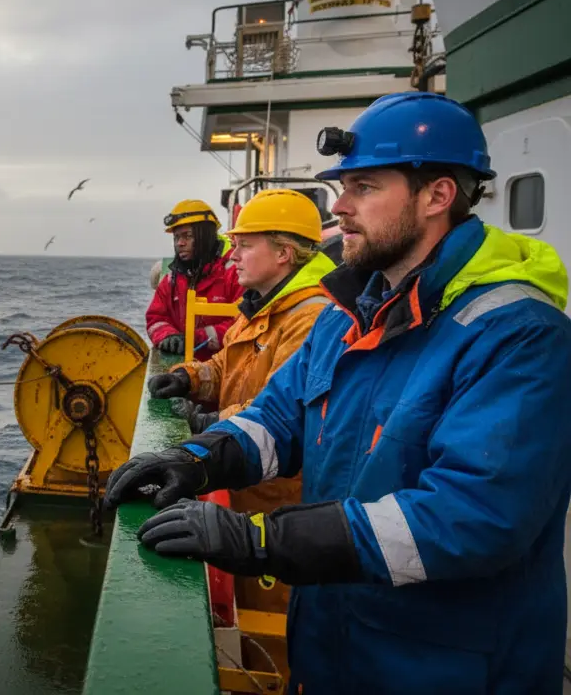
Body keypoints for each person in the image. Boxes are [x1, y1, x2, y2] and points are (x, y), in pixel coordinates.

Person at [106, 92, 571, 693]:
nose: (340, 208)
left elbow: (476, 517)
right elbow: (281, 418)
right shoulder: (350, 311)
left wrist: (264, 540)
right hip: (330, 642)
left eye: (364, 187)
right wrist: (196, 458)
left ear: (438, 196)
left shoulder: (518, 333)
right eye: (341, 187)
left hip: (444, 667)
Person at [146, 189, 335, 662]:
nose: (233, 255)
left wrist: (210, 423)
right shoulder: (263, 309)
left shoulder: (309, 319)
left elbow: (280, 413)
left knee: (280, 634)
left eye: (245, 244)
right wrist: (189, 378)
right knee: (248, 615)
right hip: (250, 494)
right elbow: (229, 371)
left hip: (283, 505)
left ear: (284, 253)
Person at [145, 199, 242, 360]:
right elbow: (156, 318)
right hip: (185, 371)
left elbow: (245, 323)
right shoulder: (171, 280)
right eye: (176, 238)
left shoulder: (236, 273)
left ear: (206, 236)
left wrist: (197, 338)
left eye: (187, 236)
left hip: (227, 368)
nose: (180, 243)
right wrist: (167, 336)